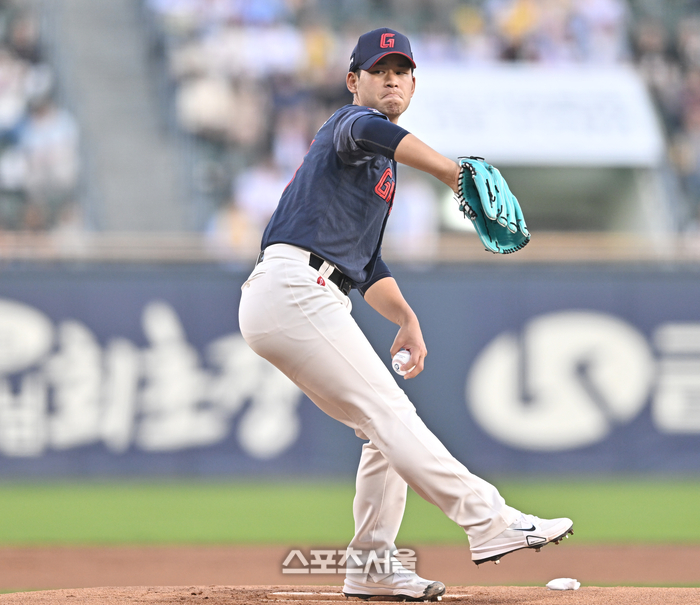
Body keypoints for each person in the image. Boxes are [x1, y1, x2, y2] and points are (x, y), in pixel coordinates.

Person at [238, 27, 573, 601]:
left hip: (302, 290)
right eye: (379, 70)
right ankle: (489, 520)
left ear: (415, 83)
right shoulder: (349, 125)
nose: (391, 79)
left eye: (401, 71)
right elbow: (374, 131)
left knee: (381, 431)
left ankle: (371, 565)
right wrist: (451, 172)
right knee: (391, 414)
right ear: (354, 81)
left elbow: (367, 264)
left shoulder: (378, 171)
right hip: (295, 286)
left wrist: (406, 319)